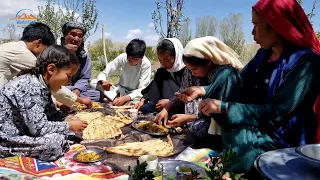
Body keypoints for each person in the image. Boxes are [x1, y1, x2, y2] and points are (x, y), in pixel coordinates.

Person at [175, 0, 320, 173]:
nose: (252, 33)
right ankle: (232, 149)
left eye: (256, 25)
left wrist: (224, 107)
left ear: (275, 26)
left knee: (244, 157)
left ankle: (237, 155)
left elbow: (274, 114)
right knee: (226, 73)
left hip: (276, 139)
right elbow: (237, 81)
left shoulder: (305, 63)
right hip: (253, 127)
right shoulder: (263, 55)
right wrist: (201, 90)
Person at [0, 45, 88, 161]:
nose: (69, 81)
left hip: (25, 130)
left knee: (62, 135)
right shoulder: (29, 86)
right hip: (7, 140)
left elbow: (51, 114)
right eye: (68, 76)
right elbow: (38, 129)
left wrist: (67, 118)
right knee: (54, 142)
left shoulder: (42, 86)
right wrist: (69, 125)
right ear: (51, 69)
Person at [154, 36, 243, 138]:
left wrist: (189, 118)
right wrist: (166, 109)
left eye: (194, 69)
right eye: (190, 70)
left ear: (208, 62)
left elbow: (221, 113)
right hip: (193, 121)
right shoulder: (190, 70)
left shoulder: (225, 76)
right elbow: (182, 92)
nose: (192, 73)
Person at [0, 22, 92, 109]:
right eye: (47, 50)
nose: (46, 54)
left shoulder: (12, 47)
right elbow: (48, 81)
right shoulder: (23, 55)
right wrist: (79, 100)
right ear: (38, 43)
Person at [90, 39, 151, 106]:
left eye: (134, 59)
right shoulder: (122, 57)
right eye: (129, 58)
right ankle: (116, 98)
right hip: (120, 89)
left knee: (143, 95)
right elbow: (105, 72)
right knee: (94, 82)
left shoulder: (146, 64)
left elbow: (142, 89)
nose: (130, 61)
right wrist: (103, 82)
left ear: (141, 57)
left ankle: (113, 99)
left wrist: (125, 98)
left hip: (135, 93)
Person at [134, 38, 185, 114]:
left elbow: (189, 95)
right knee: (144, 109)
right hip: (161, 108)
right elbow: (154, 86)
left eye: (167, 60)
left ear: (177, 55)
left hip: (181, 109)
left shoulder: (188, 72)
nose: (163, 64)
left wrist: (170, 101)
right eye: (160, 60)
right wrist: (143, 100)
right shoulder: (162, 71)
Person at [61, 22, 101, 102]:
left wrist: (77, 89)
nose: (76, 39)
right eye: (73, 34)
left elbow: (85, 77)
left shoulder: (84, 54)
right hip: (58, 87)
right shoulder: (54, 49)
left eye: (80, 36)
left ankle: (72, 99)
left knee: (98, 94)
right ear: (65, 36)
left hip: (76, 88)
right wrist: (64, 51)